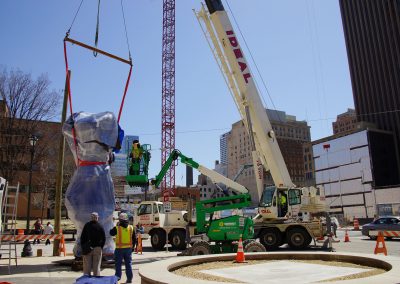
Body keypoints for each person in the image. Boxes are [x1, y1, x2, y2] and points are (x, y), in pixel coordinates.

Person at [110, 212, 135, 283]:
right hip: (128, 249)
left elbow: (111, 233)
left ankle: (117, 278)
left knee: (118, 264)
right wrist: (133, 248)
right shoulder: (131, 227)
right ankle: (129, 279)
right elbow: (134, 239)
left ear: (120, 220)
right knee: (128, 264)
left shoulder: (117, 228)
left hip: (119, 249)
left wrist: (114, 224)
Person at [80, 212, 106, 277]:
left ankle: (86, 280)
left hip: (87, 248)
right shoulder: (100, 226)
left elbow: (82, 237)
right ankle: (96, 281)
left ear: (91, 218)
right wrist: (101, 247)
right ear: (97, 218)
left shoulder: (87, 225)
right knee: (96, 267)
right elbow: (104, 238)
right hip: (97, 248)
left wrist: (83, 246)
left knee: (86, 267)